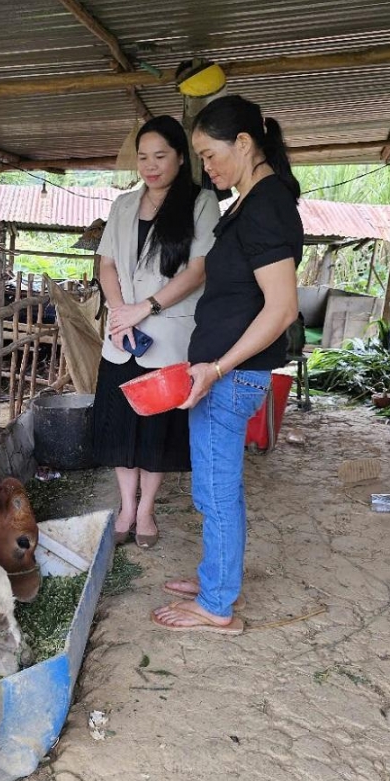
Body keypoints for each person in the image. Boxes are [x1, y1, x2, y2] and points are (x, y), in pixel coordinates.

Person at [152, 95, 303, 635]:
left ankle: (217, 607)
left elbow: (281, 307)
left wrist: (216, 369)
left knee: (216, 492)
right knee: (217, 489)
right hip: (217, 373)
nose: (206, 167)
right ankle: (218, 574)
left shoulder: (267, 205)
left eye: (210, 155)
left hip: (230, 375)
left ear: (244, 143)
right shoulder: (249, 202)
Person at [92, 115, 220, 549]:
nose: (150, 165)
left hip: (166, 336)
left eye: (160, 156)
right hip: (121, 334)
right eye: (143, 157)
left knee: (156, 431)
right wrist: (118, 311)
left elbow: (200, 269)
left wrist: (144, 308)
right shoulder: (123, 206)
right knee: (120, 426)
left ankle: (146, 511)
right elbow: (106, 263)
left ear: (181, 158)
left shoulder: (201, 203)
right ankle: (126, 506)